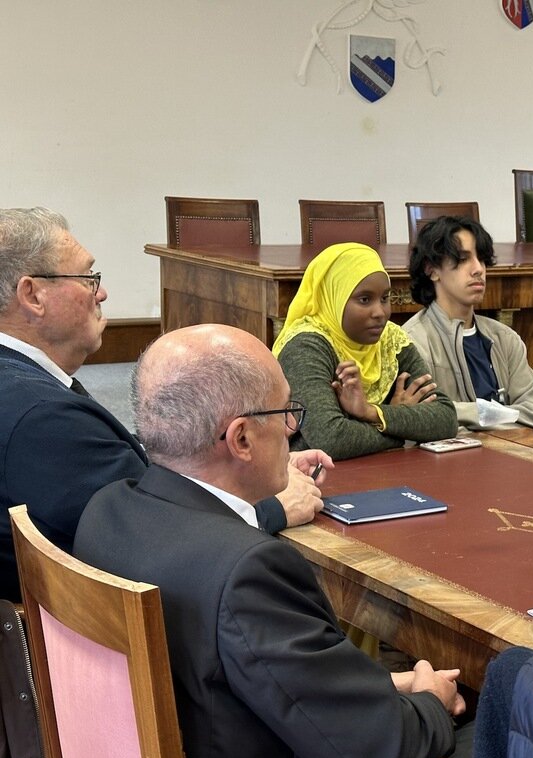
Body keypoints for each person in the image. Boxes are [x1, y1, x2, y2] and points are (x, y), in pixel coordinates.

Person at [74, 325, 468, 758]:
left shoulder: (107, 510)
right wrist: (431, 700)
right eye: (285, 412)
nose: (292, 428)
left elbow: (268, 672)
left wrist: (384, 687)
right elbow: (382, 748)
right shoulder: (248, 572)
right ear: (241, 440)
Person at [0, 207, 325, 602]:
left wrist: (250, 463)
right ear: (32, 295)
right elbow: (146, 536)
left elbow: (126, 473)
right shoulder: (43, 417)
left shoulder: (23, 387)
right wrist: (266, 509)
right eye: (88, 278)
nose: (101, 292)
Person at [273, 242, 457, 460]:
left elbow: (446, 419)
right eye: (364, 299)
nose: (380, 312)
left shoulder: (390, 339)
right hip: (315, 479)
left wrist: (371, 412)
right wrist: (402, 431)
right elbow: (331, 439)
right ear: (335, 298)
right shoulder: (306, 346)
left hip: (386, 470)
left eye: (385, 298)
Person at [403, 216, 533, 429]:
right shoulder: (412, 342)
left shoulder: (505, 338)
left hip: (512, 457)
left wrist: (461, 413)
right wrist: (491, 413)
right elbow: (426, 423)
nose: (478, 269)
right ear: (432, 270)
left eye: (481, 259)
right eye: (463, 259)